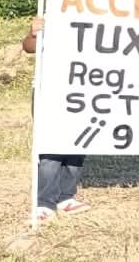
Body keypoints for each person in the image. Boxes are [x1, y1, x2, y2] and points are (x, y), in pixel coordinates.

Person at [24, 16, 91, 224]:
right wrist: (34, 34)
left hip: (82, 90)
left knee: (77, 143)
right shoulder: (50, 15)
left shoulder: (95, 16)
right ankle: (45, 202)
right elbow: (28, 47)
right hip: (49, 90)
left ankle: (65, 196)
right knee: (51, 146)